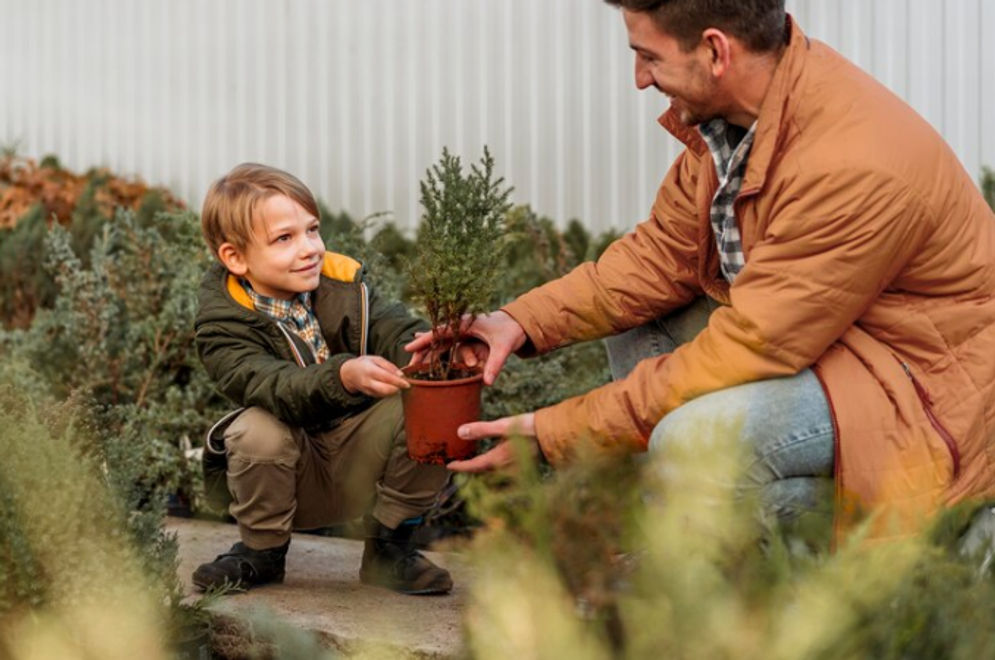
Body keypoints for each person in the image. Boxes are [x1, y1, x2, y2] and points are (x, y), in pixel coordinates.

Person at [407, 0, 995, 539]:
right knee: (644, 332)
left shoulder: (852, 164)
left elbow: (748, 347)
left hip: (918, 386)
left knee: (692, 444)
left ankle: (917, 542)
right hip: (834, 345)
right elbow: (662, 256)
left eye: (648, 57)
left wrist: (552, 435)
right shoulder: (742, 122)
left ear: (716, 51)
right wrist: (518, 321)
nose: (639, 79)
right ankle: (706, 520)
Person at [192, 163, 452, 594]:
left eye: (312, 230)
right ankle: (262, 553)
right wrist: (344, 375)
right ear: (235, 258)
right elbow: (273, 385)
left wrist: (436, 346)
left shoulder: (343, 282)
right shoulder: (222, 322)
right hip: (291, 475)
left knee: (429, 402)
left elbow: (394, 329)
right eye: (284, 239)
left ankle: (390, 547)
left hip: (361, 460)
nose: (309, 248)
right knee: (256, 429)